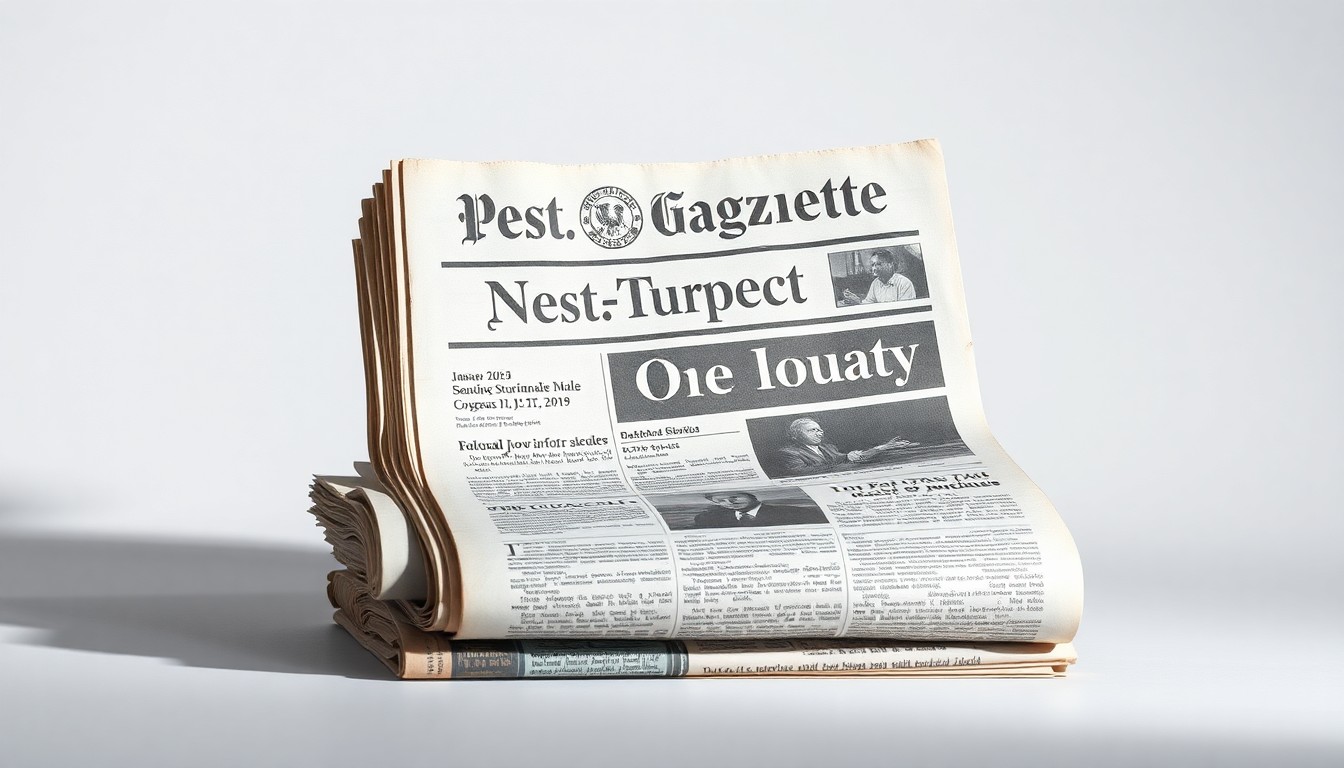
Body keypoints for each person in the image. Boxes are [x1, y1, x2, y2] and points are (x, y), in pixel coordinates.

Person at [775, 417, 915, 477]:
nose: (820, 433)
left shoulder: (828, 448)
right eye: (813, 430)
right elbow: (802, 473)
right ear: (796, 435)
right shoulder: (789, 453)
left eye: (820, 429)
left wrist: (884, 447)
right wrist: (844, 464)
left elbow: (851, 457)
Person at [692, 490, 828, 528]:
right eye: (720, 501)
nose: (729, 503)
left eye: (734, 497)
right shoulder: (709, 518)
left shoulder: (795, 513)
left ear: (752, 496)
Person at [841, 248, 917, 304]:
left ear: (890, 265)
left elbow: (904, 312)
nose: (873, 268)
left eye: (878, 264)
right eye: (873, 265)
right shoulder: (875, 283)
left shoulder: (904, 283)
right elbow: (869, 303)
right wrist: (857, 300)